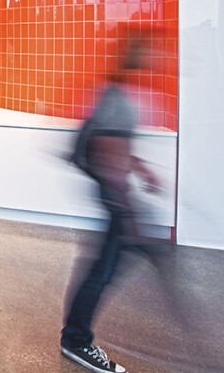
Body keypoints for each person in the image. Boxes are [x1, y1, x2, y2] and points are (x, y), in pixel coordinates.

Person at [60, 32, 162, 373]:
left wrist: (140, 167)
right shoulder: (118, 97)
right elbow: (107, 148)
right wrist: (126, 208)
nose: (157, 58)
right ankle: (76, 340)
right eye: (150, 52)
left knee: (102, 269)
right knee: (100, 272)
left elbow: (114, 144)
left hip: (114, 193)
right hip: (114, 195)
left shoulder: (118, 92)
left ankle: (75, 336)